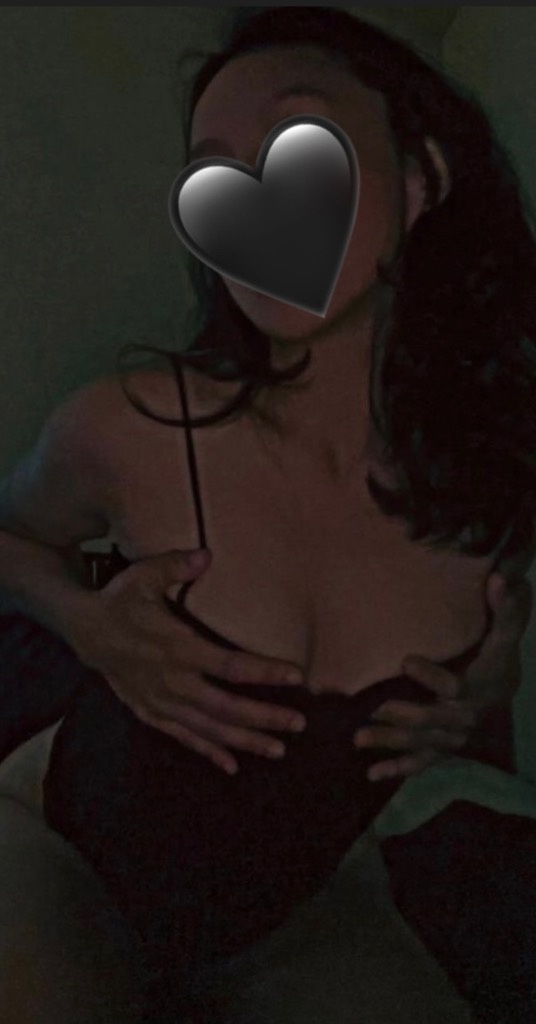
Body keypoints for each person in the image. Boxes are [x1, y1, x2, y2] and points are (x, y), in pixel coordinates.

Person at [0, 6, 535, 1022]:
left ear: (422, 179)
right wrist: (84, 620)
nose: (255, 196)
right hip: (54, 845)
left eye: (299, 138)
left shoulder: (492, 479)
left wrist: (483, 690)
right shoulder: (132, 425)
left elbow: (492, 649)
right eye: (214, 172)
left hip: (303, 900)